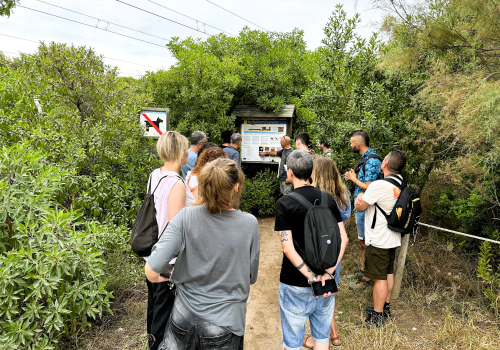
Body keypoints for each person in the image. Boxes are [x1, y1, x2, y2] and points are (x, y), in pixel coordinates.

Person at [145, 158, 260, 350]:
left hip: (183, 317)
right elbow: (251, 276)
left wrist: (174, 274)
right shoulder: (249, 224)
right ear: (236, 186)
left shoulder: (185, 217)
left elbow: (151, 270)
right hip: (225, 323)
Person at [275, 150, 347, 350]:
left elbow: (288, 249)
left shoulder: (285, 203)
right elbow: (344, 238)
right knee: (322, 339)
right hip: (326, 283)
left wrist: (311, 277)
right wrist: (327, 273)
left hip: (294, 283)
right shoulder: (328, 198)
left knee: (292, 342)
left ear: (290, 172)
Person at [145, 131, 195, 350]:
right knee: (165, 318)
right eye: (185, 148)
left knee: (154, 309)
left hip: (153, 254)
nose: (187, 152)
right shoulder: (176, 183)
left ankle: (152, 344)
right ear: (179, 152)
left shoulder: (155, 174)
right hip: (168, 260)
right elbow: (176, 229)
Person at [355, 151, 407, 327]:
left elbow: (361, 206)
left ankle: (376, 318)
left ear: (384, 164)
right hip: (393, 237)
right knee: (388, 273)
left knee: (379, 279)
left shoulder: (379, 185)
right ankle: (385, 308)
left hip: (378, 239)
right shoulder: (401, 183)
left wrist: (359, 197)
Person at [303, 156, 350, 348]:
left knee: (318, 297)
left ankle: (321, 338)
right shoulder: (343, 194)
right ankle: (333, 336)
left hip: (317, 252)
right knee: (328, 293)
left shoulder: (317, 197)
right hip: (336, 252)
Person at [344, 130, 382, 289]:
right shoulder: (365, 159)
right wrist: (354, 176)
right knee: (363, 242)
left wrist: (353, 179)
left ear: (357, 144)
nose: (351, 145)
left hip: (367, 209)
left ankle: (367, 278)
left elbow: (370, 187)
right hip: (361, 207)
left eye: (352, 143)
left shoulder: (372, 161)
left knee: (367, 242)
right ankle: (363, 269)